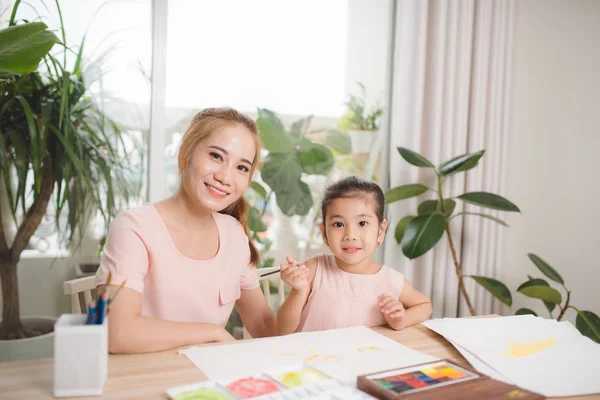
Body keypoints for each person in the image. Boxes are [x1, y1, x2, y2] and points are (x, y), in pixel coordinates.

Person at [96, 107, 276, 353]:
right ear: (184, 155)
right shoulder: (135, 227)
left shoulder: (234, 234)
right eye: (216, 156)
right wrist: (211, 332)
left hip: (205, 378)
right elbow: (117, 333)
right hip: (142, 379)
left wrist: (302, 295)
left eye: (241, 168)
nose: (225, 176)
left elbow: (264, 324)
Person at [277, 176, 432, 334]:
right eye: (339, 224)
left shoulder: (391, 281)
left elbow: (425, 305)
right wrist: (299, 290)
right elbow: (282, 331)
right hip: (312, 357)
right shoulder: (313, 271)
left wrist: (400, 320)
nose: (350, 235)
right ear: (324, 233)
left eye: (362, 223)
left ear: (380, 231)